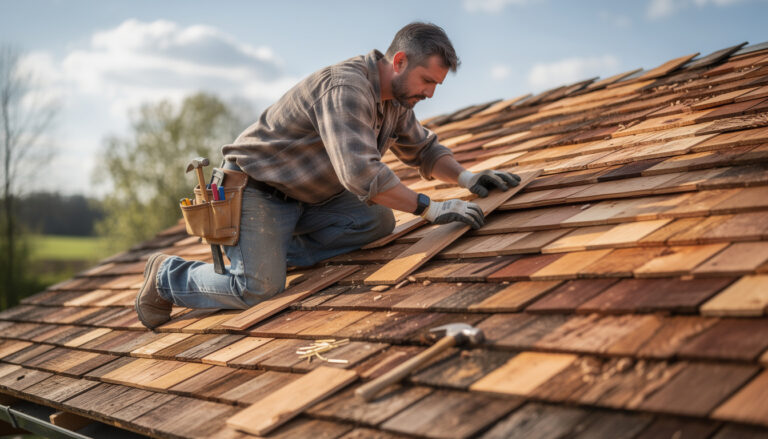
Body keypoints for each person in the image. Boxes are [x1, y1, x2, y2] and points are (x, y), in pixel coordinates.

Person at [135, 22, 520, 329]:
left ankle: (263, 253)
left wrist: (467, 178)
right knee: (257, 289)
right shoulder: (346, 87)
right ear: (399, 61)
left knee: (376, 220)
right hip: (257, 190)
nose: (431, 94)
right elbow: (360, 174)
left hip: (308, 197)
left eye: (436, 85)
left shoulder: (397, 100)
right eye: (428, 81)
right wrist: (430, 209)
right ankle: (169, 275)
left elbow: (423, 149)